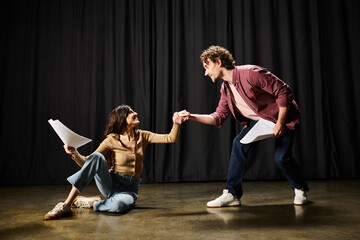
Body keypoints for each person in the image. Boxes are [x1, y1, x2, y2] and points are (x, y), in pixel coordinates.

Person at [179, 45, 309, 208]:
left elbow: (284, 92)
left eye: (207, 67)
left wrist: (280, 123)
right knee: (238, 144)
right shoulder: (225, 89)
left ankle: (300, 188)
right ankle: (232, 194)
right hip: (259, 120)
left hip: (282, 116)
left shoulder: (251, 73)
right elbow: (218, 117)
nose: (206, 73)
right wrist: (190, 116)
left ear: (218, 62)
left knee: (281, 157)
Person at [44, 105, 187, 220]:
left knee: (118, 207)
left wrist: (176, 123)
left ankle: (93, 203)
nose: (135, 113)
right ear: (122, 119)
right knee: (97, 157)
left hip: (129, 189)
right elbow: (89, 162)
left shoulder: (143, 136)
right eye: (130, 112)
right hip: (110, 182)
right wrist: (75, 154)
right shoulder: (112, 139)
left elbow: (170, 138)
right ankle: (66, 204)